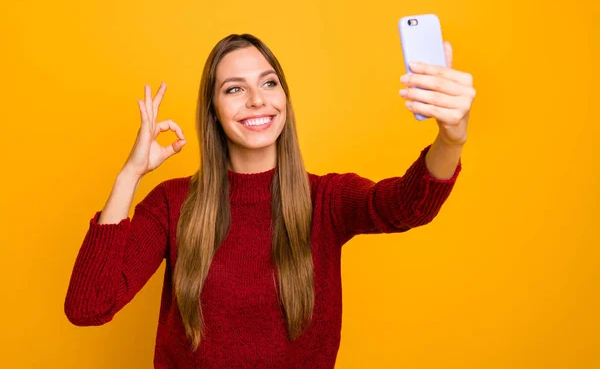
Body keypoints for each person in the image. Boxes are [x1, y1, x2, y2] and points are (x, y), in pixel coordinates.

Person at [64, 33, 475, 368]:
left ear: (284, 98)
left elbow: (406, 207)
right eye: (234, 89)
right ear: (213, 111)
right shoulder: (173, 204)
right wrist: (129, 174)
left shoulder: (325, 199)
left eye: (268, 82)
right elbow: (88, 306)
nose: (257, 100)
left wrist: (450, 138)